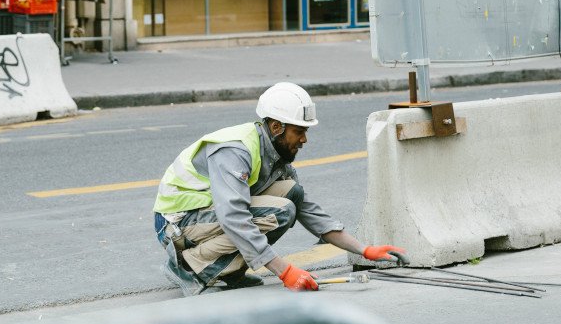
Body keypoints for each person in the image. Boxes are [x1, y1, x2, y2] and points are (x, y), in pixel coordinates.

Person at [153, 82, 408, 296]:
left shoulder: (276, 155)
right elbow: (234, 217)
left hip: (204, 217)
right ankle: (190, 268)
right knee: (281, 211)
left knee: (292, 194)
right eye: (299, 132)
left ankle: (228, 272)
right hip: (177, 223)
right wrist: (284, 271)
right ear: (276, 127)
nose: (304, 140)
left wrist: (364, 249)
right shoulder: (236, 150)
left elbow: (309, 210)